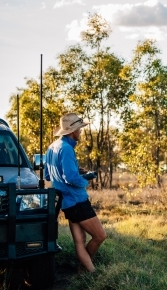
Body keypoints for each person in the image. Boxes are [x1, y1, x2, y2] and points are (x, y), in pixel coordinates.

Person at [44, 113, 106, 273]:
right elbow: (70, 178)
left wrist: (78, 172)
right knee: (100, 236)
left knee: (80, 241)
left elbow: (48, 175)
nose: (81, 132)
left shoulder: (52, 147)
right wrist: (85, 180)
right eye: (79, 129)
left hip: (65, 202)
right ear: (72, 131)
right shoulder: (66, 149)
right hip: (77, 200)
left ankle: (83, 270)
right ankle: (92, 273)